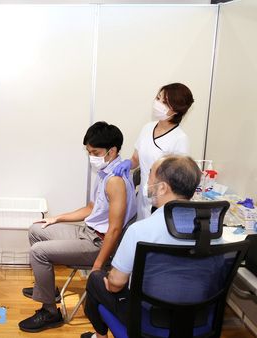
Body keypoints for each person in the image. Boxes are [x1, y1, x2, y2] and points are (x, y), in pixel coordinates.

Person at [18, 121, 137, 333]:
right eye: (89, 151)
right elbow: (91, 208)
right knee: (37, 229)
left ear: (112, 151)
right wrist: (57, 219)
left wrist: (98, 266)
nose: (92, 156)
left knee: (38, 252)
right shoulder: (106, 174)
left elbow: (115, 230)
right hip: (89, 232)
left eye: (95, 152)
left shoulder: (115, 181)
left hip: (99, 243)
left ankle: (50, 312)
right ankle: (48, 291)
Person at [81, 155, 205, 338]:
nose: (148, 183)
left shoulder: (141, 231)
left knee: (95, 279)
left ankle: (100, 336)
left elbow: (115, 284)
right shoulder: (211, 231)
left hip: (149, 321)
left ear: (162, 188)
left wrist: (110, 280)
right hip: (196, 319)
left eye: (150, 177)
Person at [113, 83, 194, 220]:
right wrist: (128, 163)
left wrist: (155, 192)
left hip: (162, 203)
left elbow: (178, 180)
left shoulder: (179, 138)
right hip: (142, 199)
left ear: (176, 110)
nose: (158, 104)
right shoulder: (147, 128)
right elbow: (135, 159)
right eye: (158, 98)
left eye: (164, 103)